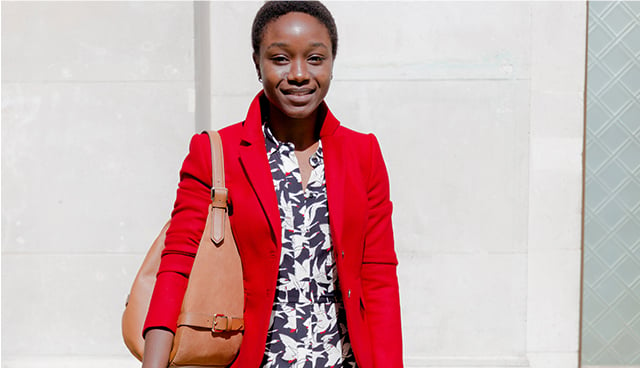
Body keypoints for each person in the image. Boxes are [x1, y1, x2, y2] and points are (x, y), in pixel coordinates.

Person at [141, 1, 402, 367]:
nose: (299, 74)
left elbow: (378, 279)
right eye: (280, 58)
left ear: (331, 63)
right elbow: (177, 264)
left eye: (315, 59)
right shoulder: (217, 153)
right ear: (257, 62)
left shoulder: (363, 154)